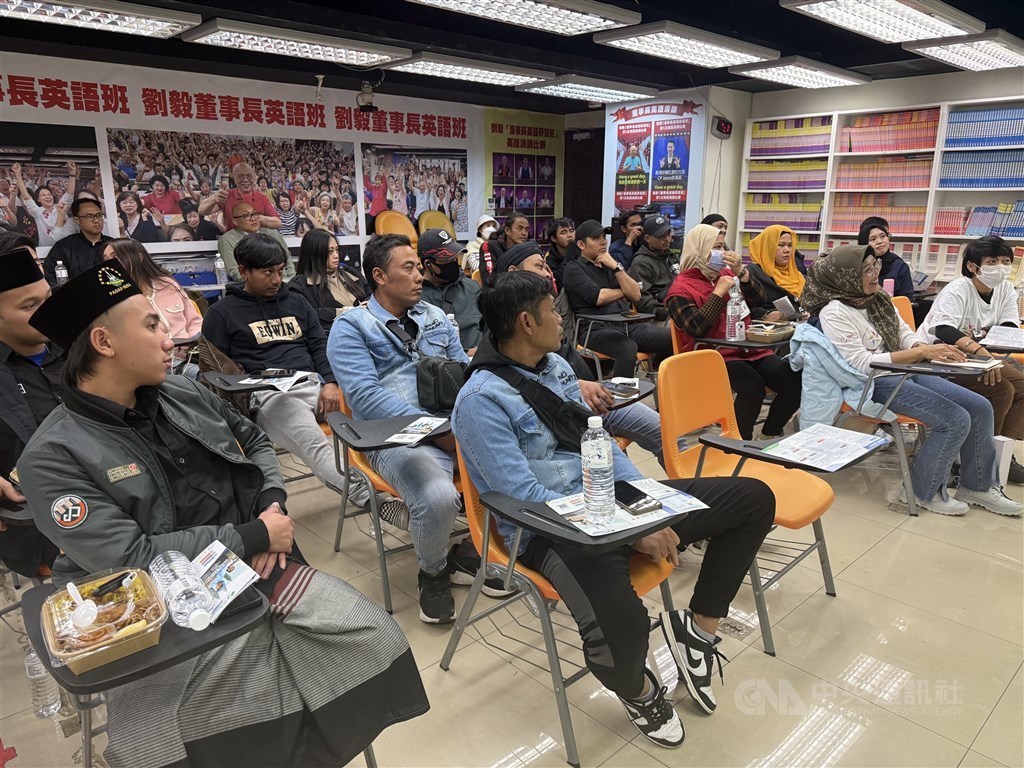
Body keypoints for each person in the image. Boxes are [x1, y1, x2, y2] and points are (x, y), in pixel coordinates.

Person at [20, 258, 428, 768]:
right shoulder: (52, 457)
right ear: (105, 343)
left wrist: (272, 507)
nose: (170, 339)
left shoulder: (181, 391)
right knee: (184, 732)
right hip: (163, 598)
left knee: (373, 636)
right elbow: (130, 557)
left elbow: (255, 441)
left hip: (258, 556)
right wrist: (252, 536)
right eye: (153, 325)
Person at [453, 271, 776, 748]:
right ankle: (639, 691)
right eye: (552, 311)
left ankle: (697, 633)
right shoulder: (480, 401)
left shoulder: (556, 368)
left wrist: (648, 505)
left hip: (611, 501)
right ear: (526, 322)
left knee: (753, 499)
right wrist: (632, 531)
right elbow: (527, 500)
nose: (561, 320)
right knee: (624, 634)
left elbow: (598, 443)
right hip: (553, 532)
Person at [328, 234, 511, 624]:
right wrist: (439, 432)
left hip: (452, 426)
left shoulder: (434, 317)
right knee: (439, 497)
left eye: (418, 267)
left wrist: (481, 414)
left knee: (522, 459)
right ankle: (433, 572)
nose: (419, 275)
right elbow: (365, 399)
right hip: (395, 436)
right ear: (379, 276)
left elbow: (464, 371)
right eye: (408, 268)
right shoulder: (352, 327)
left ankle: (471, 552)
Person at [802, 244, 1021, 517]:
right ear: (846, 277)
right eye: (867, 269)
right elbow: (862, 362)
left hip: (907, 370)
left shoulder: (877, 298)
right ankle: (919, 492)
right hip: (875, 382)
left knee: (980, 407)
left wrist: (922, 347)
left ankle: (978, 487)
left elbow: (904, 332)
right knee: (954, 419)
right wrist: (922, 352)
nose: (875, 273)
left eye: (876, 266)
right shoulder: (835, 312)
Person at [202, 232, 357, 504]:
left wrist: (331, 382)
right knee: (317, 445)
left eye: (279, 270)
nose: (276, 280)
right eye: (267, 272)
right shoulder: (222, 313)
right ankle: (376, 500)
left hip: (316, 385)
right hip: (271, 394)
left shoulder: (297, 302)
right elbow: (214, 372)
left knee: (372, 416)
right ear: (244, 271)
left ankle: (401, 485)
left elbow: (319, 346)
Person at [495, 240, 665, 461]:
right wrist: (570, 387)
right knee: (626, 347)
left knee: (666, 433)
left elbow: (635, 294)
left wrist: (582, 386)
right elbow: (515, 387)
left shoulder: (551, 306)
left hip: (589, 398)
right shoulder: (503, 328)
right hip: (561, 413)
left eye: (546, 267)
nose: (547, 274)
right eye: (539, 266)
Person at [665, 224, 802, 440]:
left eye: (723, 247)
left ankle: (769, 434)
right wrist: (718, 294)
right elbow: (695, 328)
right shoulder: (681, 288)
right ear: (699, 250)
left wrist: (742, 274)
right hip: (712, 355)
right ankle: (737, 444)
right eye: (715, 248)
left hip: (748, 349)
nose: (722, 253)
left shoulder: (728, 274)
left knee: (793, 380)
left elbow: (759, 300)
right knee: (753, 388)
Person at [918, 236, 1024, 484]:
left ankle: (1000, 453)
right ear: (972, 266)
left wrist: (988, 349)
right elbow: (944, 329)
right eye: (992, 262)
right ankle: (973, 459)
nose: (1000, 267)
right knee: (1002, 389)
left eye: (1005, 261)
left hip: (977, 357)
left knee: (1021, 386)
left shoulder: (1005, 289)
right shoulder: (957, 289)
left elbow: (1009, 325)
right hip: (939, 358)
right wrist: (981, 351)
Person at [0, 235, 60, 578]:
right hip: (41, 530)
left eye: (48, 299)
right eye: (28, 307)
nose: (46, 313)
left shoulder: (81, 348)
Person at [562, 219, 674, 379]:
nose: (603, 242)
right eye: (596, 238)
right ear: (581, 244)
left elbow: (635, 294)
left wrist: (615, 267)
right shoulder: (574, 269)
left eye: (604, 237)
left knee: (675, 337)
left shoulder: (611, 265)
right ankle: (622, 393)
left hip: (626, 324)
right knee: (627, 346)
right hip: (594, 329)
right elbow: (599, 297)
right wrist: (623, 291)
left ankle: (671, 386)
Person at [102, 238, 202, 373]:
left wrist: (191, 345)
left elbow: (195, 322)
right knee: (199, 375)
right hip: (154, 364)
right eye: (105, 260)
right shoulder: (116, 299)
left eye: (115, 257)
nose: (109, 264)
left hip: (190, 355)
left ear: (138, 258)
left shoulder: (167, 284)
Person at [290, 228, 367, 333]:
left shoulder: (351, 273)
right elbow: (307, 314)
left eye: (337, 250)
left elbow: (372, 295)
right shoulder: (299, 286)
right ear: (315, 253)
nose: (336, 256)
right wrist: (344, 312)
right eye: (330, 252)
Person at [418, 228, 482, 352]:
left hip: (480, 358)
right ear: (428, 264)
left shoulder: (471, 287)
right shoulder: (415, 295)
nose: (453, 263)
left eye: (455, 257)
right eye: (447, 259)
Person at [42, 198, 112, 287]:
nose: (96, 220)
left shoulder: (113, 245)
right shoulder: (64, 247)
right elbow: (50, 277)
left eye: (99, 215)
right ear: (77, 220)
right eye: (89, 216)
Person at [218, 201, 295, 280]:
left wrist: (290, 282)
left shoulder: (273, 234)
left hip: (283, 282)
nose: (253, 219)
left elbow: (289, 264)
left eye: (255, 214)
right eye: (246, 215)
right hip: (252, 285)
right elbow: (235, 272)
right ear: (235, 221)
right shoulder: (228, 239)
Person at [746, 225, 807, 320]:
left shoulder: (797, 274)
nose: (787, 250)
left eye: (790, 245)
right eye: (781, 245)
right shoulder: (753, 272)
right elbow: (744, 307)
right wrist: (766, 314)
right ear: (768, 247)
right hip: (768, 327)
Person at [200, 161, 282, 231]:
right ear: (234, 179)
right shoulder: (226, 195)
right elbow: (202, 211)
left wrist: (253, 217)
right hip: (234, 240)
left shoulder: (261, 197)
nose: (245, 180)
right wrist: (214, 198)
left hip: (257, 239)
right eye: (240, 176)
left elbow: (277, 222)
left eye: (249, 176)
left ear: (254, 178)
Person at [627, 215, 677, 321]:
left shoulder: (671, 257)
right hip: (657, 317)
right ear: (647, 238)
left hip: (676, 307)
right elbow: (643, 301)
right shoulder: (640, 263)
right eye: (660, 236)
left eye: (668, 234)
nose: (667, 239)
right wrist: (669, 313)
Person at [858, 217, 912, 299]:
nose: (880, 242)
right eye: (873, 239)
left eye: (883, 236)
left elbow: (906, 299)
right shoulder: (856, 264)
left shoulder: (899, 266)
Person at [480, 212, 530, 286]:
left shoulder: (529, 249)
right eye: (519, 228)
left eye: (526, 230)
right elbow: (490, 280)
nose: (524, 233)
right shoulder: (490, 246)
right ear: (507, 231)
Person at [544, 217, 576, 287]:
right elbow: (558, 284)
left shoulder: (582, 252)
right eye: (563, 232)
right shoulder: (549, 261)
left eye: (571, 231)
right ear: (554, 238)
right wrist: (569, 255)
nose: (569, 235)